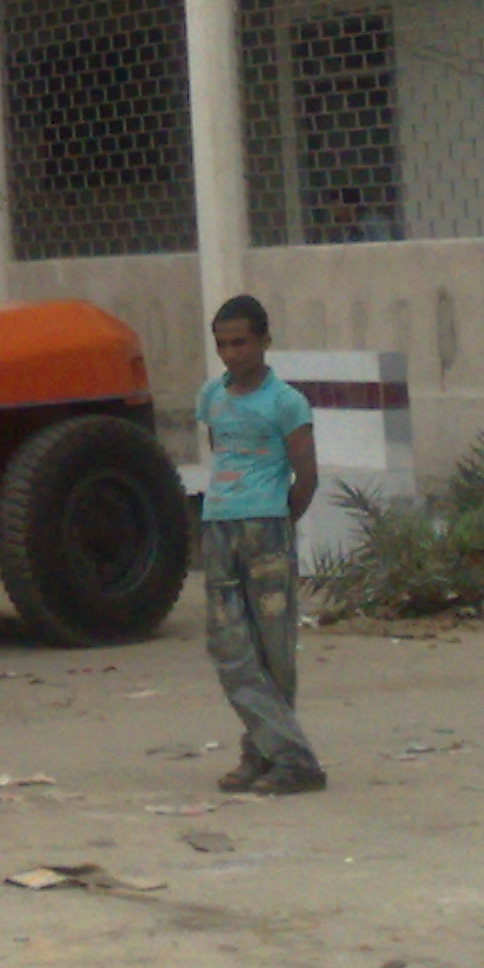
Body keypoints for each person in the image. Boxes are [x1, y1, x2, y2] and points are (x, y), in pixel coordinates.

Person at [197, 294, 326, 796]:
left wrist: (281, 517)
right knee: (230, 646)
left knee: (273, 650)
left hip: (267, 528)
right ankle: (283, 755)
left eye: (241, 342)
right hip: (218, 525)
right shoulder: (211, 396)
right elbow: (220, 450)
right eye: (223, 344)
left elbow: (307, 474)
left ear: (264, 342)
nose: (232, 353)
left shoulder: (287, 402)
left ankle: (273, 757)